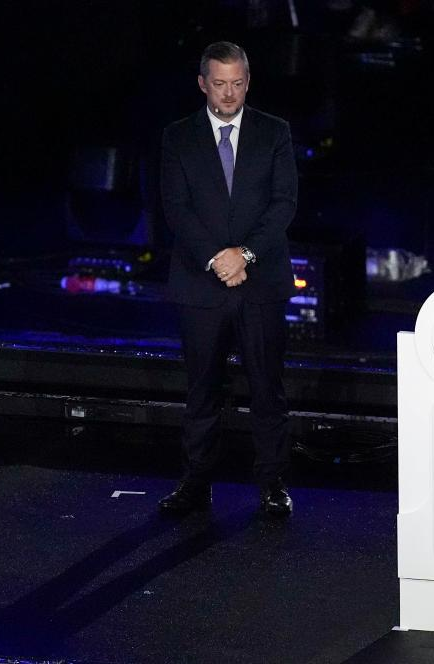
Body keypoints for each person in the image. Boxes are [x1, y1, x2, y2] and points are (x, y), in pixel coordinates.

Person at [158, 41, 298, 517]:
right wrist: (217, 258)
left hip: (260, 283)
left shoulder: (274, 132)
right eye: (220, 83)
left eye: (237, 83)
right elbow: (176, 207)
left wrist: (246, 255)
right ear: (203, 84)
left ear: (248, 81)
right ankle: (196, 483)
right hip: (201, 285)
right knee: (202, 390)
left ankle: (272, 483)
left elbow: (284, 203)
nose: (229, 93)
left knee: (267, 388)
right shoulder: (179, 136)